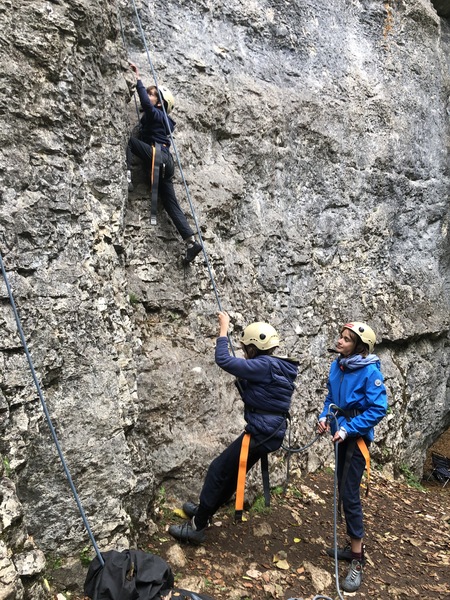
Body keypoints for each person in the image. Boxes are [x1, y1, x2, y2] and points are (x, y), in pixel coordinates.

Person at [168, 311, 299, 545]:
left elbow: (224, 360)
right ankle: (205, 510)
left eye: (246, 348)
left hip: (261, 433)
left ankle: (197, 526)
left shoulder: (263, 365)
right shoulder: (274, 365)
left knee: (218, 470)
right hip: (269, 432)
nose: (245, 352)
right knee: (232, 473)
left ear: (253, 348)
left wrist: (223, 328)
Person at [317, 321, 387, 593]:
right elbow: (331, 399)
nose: (340, 341)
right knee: (343, 489)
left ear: (359, 347)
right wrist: (325, 417)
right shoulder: (338, 366)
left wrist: (349, 429)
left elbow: (378, 408)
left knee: (349, 494)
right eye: (341, 336)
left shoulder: (370, 371)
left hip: (355, 439)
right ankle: (352, 546)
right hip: (340, 434)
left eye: (347, 339)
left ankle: (357, 559)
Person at [127, 63, 202, 265]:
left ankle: (126, 177)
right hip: (165, 163)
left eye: (152, 95)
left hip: (158, 157)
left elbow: (145, 103)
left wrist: (138, 79)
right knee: (170, 203)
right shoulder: (159, 120)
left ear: (160, 103)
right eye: (149, 93)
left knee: (129, 142)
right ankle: (191, 242)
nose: (148, 96)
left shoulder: (157, 114)